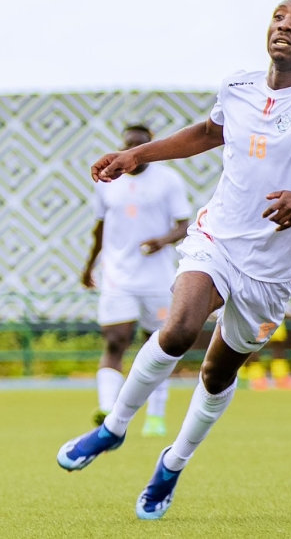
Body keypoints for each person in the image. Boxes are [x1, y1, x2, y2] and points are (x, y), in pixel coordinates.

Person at [55, 0, 291, 520]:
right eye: (279, 16)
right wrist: (137, 154)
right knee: (178, 330)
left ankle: (172, 463)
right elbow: (208, 133)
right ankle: (113, 427)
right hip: (217, 239)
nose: (285, 25)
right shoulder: (238, 87)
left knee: (215, 374)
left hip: (272, 271)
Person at [81, 124, 191, 437]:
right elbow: (100, 228)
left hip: (157, 279)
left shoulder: (168, 180)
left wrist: (162, 241)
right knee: (115, 339)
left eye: (139, 146)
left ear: (149, 146)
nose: (134, 152)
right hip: (117, 276)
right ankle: (107, 410)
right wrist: (89, 266)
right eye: (129, 145)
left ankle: (155, 415)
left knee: (157, 347)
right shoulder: (107, 181)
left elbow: (184, 225)